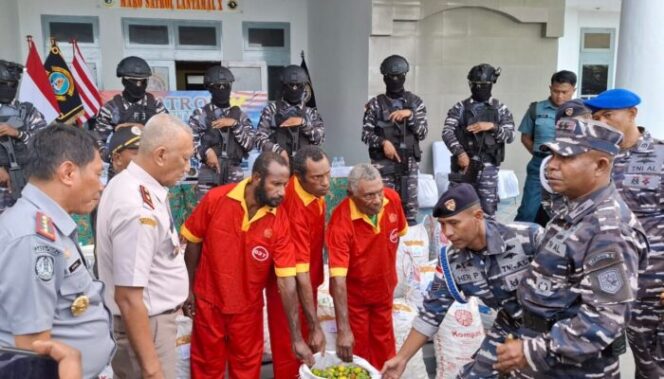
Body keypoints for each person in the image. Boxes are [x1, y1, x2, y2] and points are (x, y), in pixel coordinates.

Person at [494, 118, 648, 378]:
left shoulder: (608, 229)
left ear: (600, 166)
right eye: (552, 155)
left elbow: (606, 318)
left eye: (565, 158)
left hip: (572, 368)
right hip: (542, 356)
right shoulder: (574, 210)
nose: (551, 165)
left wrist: (532, 351)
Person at [382, 183, 542, 379]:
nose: (446, 232)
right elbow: (431, 313)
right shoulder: (451, 260)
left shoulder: (529, 238)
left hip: (552, 329)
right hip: (510, 325)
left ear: (478, 216)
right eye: (442, 224)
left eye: (454, 223)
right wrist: (402, 359)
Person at [180, 151, 315, 378]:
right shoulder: (216, 199)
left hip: (248, 312)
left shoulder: (280, 221)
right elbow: (193, 243)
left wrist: (297, 338)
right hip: (208, 304)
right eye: (276, 184)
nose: (282, 192)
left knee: (246, 371)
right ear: (256, 177)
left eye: (285, 184)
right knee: (206, 368)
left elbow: (286, 282)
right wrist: (188, 290)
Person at [0, 124, 114, 378]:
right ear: (68, 173)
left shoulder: (46, 226)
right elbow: (32, 351)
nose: (101, 185)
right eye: (97, 174)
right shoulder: (33, 239)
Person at [96, 114, 193, 379]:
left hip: (152, 323)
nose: (188, 167)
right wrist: (152, 371)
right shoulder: (137, 208)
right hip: (148, 328)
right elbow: (128, 297)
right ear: (161, 155)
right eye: (184, 158)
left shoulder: (134, 186)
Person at [585, 88, 664, 378]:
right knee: (597, 361)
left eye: (609, 115)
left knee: (652, 364)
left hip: (652, 285)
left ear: (632, 114)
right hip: (604, 281)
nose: (602, 122)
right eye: (596, 117)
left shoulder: (659, 155)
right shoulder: (593, 159)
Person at [327, 163, 408, 369]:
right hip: (355, 299)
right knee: (358, 355)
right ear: (351, 194)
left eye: (379, 192)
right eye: (369, 196)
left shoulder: (393, 200)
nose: (378, 200)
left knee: (386, 348)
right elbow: (338, 278)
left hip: (384, 290)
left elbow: (397, 237)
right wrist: (343, 329)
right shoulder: (340, 223)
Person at [266, 146, 329, 378]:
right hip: (287, 285)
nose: (325, 183)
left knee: (307, 347)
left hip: (307, 278)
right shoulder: (294, 206)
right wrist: (315, 326)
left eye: (327, 174)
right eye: (317, 177)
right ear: (298, 177)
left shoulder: (313, 192)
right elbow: (297, 273)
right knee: (290, 345)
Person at [362, 55, 428, 226]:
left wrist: (410, 115)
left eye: (399, 76)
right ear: (384, 78)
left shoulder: (415, 103)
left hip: (409, 164)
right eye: (391, 77)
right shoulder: (376, 104)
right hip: (384, 165)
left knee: (410, 212)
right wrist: (384, 143)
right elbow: (366, 134)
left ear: (405, 76)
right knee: (383, 210)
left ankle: (409, 249)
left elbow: (422, 133)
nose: (395, 80)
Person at [442, 63, 515, 217]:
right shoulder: (460, 108)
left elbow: (510, 136)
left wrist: (492, 126)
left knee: (487, 212)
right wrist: (460, 153)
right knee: (457, 209)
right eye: (476, 85)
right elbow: (447, 132)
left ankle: (487, 240)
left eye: (484, 85)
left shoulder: (499, 109)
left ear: (491, 85)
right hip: (464, 167)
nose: (479, 88)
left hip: (488, 169)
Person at [515, 70, 576, 222]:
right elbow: (525, 138)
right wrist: (541, 156)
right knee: (528, 211)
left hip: (569, 167)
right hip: (539, 165)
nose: (560, 96)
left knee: (566, 212)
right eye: (556, 91)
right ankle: (520, 242)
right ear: (550, 88)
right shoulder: (536, 109)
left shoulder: (581, 112)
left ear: (573, 90)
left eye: (564, 92)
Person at [95, 56, 168, 176]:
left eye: (143, 81)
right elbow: (98, 141)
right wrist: (116, 157)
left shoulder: (156, 106)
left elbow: (168, 136)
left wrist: (139, 128)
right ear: (124, 81)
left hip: (150, 170)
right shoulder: (111, 108)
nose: (139, 85)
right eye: (134, 81)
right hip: (121, 171)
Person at [189, 65, 255, 196]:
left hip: (234, 171)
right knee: (206, 212)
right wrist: (205, 151)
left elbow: (249, 145)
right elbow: (188, 142)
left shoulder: (240, 116)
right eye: (217, 86)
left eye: (226, 85)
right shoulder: (201, 114)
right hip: (209, 172)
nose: (222, 89)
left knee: (232, 212)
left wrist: (235, 125)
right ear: (209, 88)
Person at [0, 60, 48, 213]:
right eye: (4, 84)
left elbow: (44, 142)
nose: (8, 89)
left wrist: (18, 133)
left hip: (27, 178)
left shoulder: (27, 111)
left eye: (12, 85)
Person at [536, 99, 592, 226]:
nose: (553, 165)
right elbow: (555, 210)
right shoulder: (548, 164)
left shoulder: (599, 156)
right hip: (563, 225)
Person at [255, 65, 324, 163]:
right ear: (283, 86)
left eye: (298, 85)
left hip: (304, 166)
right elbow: (259, 139)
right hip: (278, 165)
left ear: (304, 86)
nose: (294, 89)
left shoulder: (311, 113)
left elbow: (319, 139)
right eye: (290, 85)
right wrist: (278, 151)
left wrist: (304, 124)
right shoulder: (271, 110)